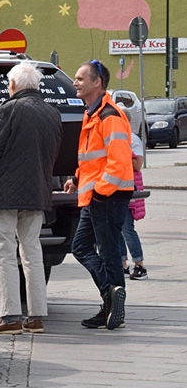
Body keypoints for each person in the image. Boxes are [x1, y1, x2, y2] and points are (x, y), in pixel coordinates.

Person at [0, 61, 62, 335]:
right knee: (32, 251)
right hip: (37, 191)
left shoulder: (9, 108)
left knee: (3, 252)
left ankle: (10, 315)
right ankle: (36, 315)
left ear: (13, 85)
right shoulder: (52, 112)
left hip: (5, 192)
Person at [64, 60, 134, 330]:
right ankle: (111, 295)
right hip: (96, 195)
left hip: (107, 196)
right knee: (81, 247)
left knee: (109, 252)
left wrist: (100, 193)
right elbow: (93, 159)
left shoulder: (109, 116)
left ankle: (112, 305)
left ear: (97, 83)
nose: (75, 82)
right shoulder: (92, 113)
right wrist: (76, 179)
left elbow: (118, 162)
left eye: (81, 78)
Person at [117, 106, 148, 280]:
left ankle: (140, 265)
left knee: (127, 229)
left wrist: (121, 154)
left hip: (130, 186)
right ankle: (122, 264)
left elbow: (137, 165)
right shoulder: (119, 138)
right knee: (118, 229)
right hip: (118, 186)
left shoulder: (132, 139)